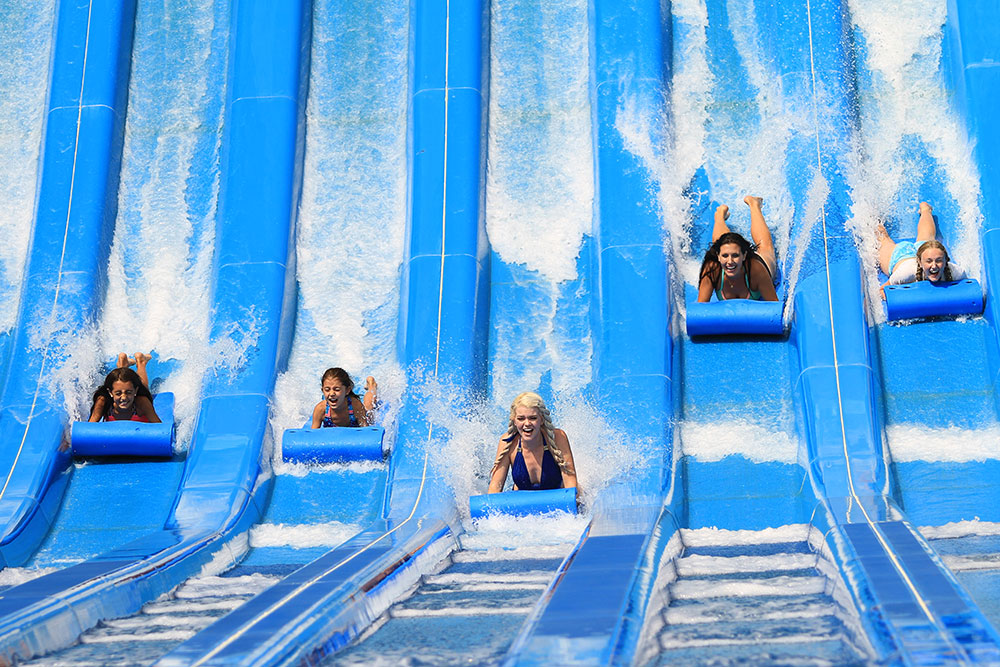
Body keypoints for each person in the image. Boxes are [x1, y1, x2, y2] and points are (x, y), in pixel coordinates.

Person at [488, 391, 577, 493]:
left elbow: (571, 484)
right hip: (524, 503)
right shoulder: (508, 442)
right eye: (521, 419)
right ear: (514, 420)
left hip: (556, 500)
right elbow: (495, 488)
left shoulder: (557, 438)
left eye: (533, 418)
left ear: (542, 419)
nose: (527, 424)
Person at [697, 195, 779, 302]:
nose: (730, 261)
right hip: (723, 258)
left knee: (765, 247)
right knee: (725, 243)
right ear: (718, 256)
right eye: (724, 256)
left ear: (744, 255)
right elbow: (701, 308)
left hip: (755, 266)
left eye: (735, 256)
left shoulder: (756, 270)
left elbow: (773, 305)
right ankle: (719, 216)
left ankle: (754, 204)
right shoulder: (712, 270)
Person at [877, 201, 965, 297]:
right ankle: (873, 217)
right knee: (883, 239)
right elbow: (882, 289)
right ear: (919, 262)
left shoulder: (955, 272)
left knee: (928, 239)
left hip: (926, 251)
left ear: (946, 261)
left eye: (939, 261)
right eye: (929, 262)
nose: (934, 266)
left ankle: (925, 209)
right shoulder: (905, 274)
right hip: (900, 257)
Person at [88, 353, 161, 423]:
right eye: (118, 393)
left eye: (128, 392)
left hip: (136, 394)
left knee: (142, 385)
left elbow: (159, 428)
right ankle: (123, 364)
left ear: (135, 390)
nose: (123, 397)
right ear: (110, 392)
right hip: (121, 390)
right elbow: (89, 427)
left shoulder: (141, 402)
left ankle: (141, 361)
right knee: (120, 381)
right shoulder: (103, 401)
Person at [310, 367, 377, 428]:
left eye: (337, 389)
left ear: (347, 390)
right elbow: (313, 434)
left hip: (357, 421)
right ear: (322, 390)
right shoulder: (320, 409)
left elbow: (365, 430)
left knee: (369, 407)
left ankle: (371, 385)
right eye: (327, 390)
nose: (332, 394)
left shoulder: (355, 406)